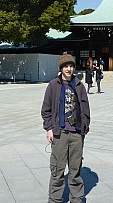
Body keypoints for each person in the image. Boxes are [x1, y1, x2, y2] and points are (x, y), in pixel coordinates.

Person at [41, 53, 91, 203]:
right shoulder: (53, 85)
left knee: (75, 170)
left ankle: (76, 199)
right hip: (60, 133)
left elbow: (85, 109)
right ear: (61, 68)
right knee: (57, 170)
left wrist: (84, 129)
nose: (69, 69)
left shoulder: (79, 85)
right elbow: (46, 109)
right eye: (66, 66)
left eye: (71, 66)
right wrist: (49, 128)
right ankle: (55, 199)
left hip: (76, 134)